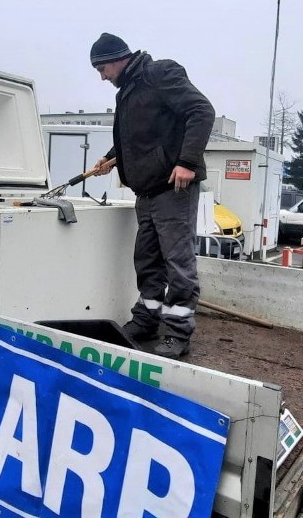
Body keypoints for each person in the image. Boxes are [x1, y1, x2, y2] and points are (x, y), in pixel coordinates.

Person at [90, 32, 215, 359]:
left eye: (102, 69)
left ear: (119, 59)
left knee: (178, 261)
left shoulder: (159, 74)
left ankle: (177, 333)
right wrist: (109, 157)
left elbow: (202, 111)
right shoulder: (128, 90)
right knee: (147, 259)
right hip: (146, 191)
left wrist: (187, 162)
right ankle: (146, 319)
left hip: (173, 187)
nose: (102, 77)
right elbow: (137, 139)